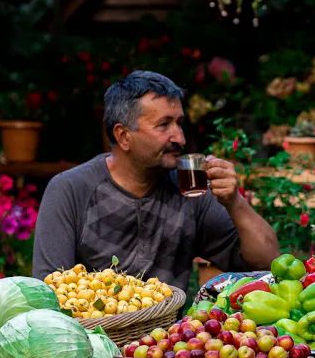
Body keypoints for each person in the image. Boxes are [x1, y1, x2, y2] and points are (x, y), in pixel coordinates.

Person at [32, 71, 279, 290]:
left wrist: (234, 201)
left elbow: (267, 262)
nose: (180, 138)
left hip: (171, 340)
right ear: (123, 136)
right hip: (95, 337)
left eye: (179, 123)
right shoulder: (71, 189)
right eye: (164, 125)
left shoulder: (189, 190)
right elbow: (50, 290)